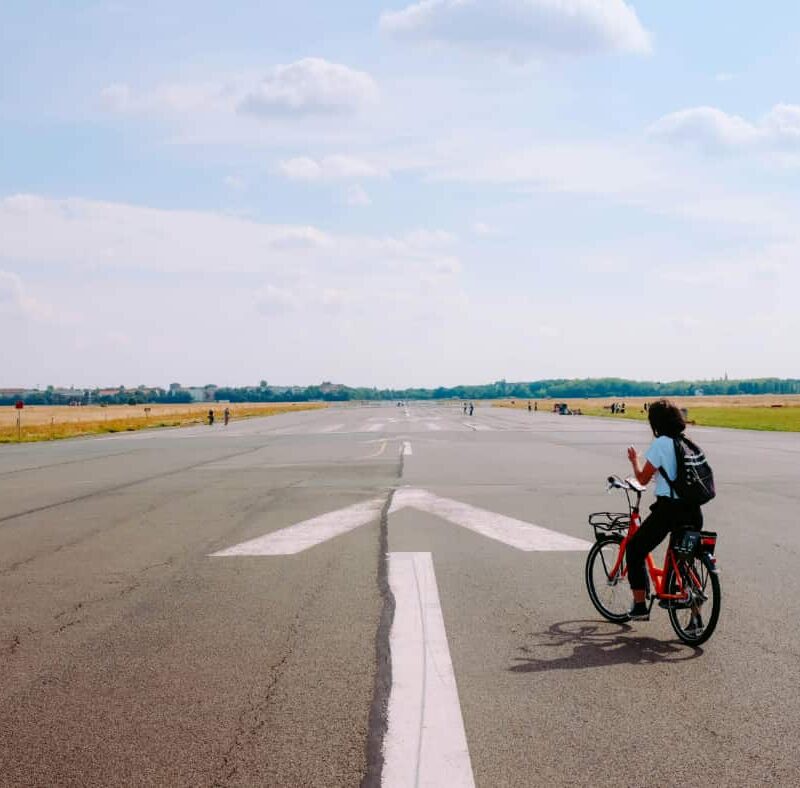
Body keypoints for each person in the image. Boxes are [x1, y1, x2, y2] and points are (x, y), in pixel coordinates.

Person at [624, 399, 703, 621]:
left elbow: (642, 478)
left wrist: (634, 461)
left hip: (669, 510)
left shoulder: (661, 444)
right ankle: (696, 618)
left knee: (635, 549)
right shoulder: (687, 443)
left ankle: (640, 606)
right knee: (684, 560)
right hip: (694, 510)